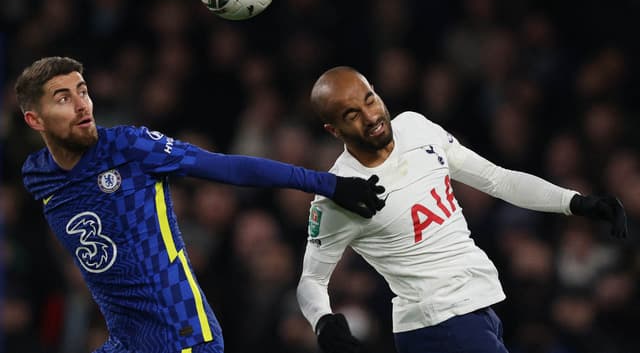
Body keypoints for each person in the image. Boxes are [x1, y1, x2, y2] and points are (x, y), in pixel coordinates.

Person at [15, 56, 386, 353]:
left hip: (181, 336)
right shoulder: (39, 177)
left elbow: (229, 167)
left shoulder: (128, 148)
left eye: (83, 91)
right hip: (127, 343)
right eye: (63, 98)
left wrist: (329, 184)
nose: (82, 105)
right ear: (35, 119)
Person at [296, 66, 628, 353]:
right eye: (351, 115)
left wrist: (575, 202)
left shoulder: (415, 127)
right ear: (333, 130)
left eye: (369, 99)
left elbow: (497, 180)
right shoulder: (339, 193)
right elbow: (312, 278)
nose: (370, 117)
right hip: (438, 324)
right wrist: (323, 321)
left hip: (476, 310)